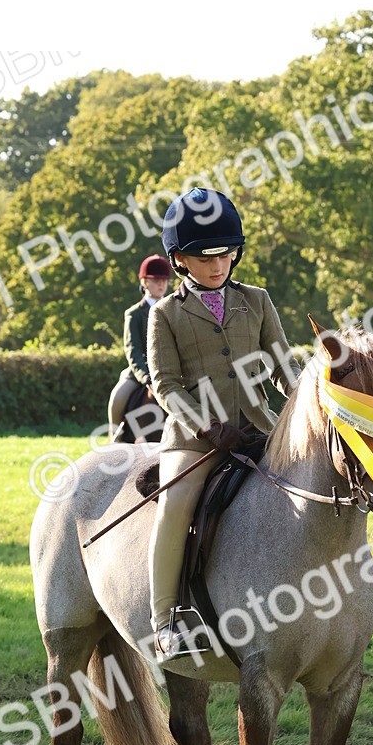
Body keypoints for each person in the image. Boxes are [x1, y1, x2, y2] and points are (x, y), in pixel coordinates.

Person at [147, 188, 302, 660]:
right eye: (205, 257)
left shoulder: (256, 300)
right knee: (175, 504)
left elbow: (282, 365)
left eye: (226, 255)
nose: (218, 266)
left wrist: (302, 403)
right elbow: (165, 384)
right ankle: (165, 620)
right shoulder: (165, 314)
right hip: (194, 439)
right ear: (180, 261)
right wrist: (208, 428)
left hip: (259, 427)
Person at [107, 255, 171, 436]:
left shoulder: (175, 310)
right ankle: (116, 435)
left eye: (164, 280)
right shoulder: (134, 314)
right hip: (141, 372)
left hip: (172, 369)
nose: (161, 284)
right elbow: (132, 349)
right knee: (117, 398)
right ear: (144, 282)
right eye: (156, 280)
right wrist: (145, 377)